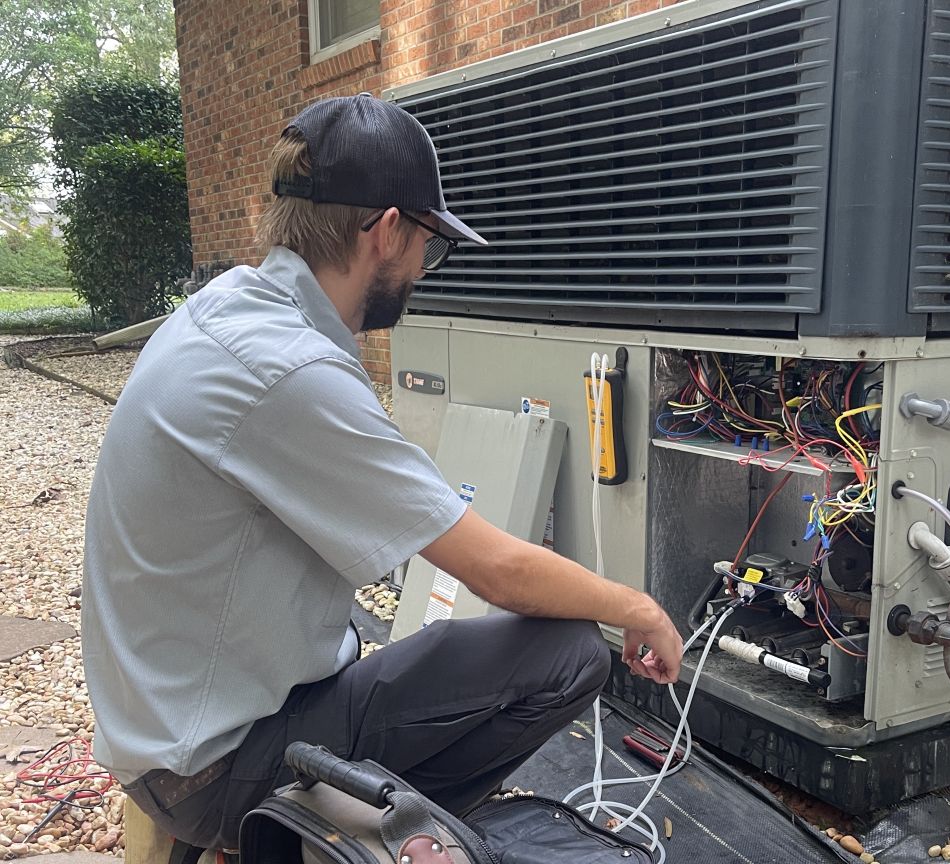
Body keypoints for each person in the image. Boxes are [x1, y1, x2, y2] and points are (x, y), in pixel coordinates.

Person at [80, 93, 684, 852]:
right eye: (429, 244)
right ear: (387, 230)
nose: (424, 270)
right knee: (568, 656)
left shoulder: (229, 307)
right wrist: (639, 607)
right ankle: (360, 840)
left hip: (161, 727)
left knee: (413, 655)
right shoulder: (291, 372)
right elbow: (498, 571)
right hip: (214, 770)